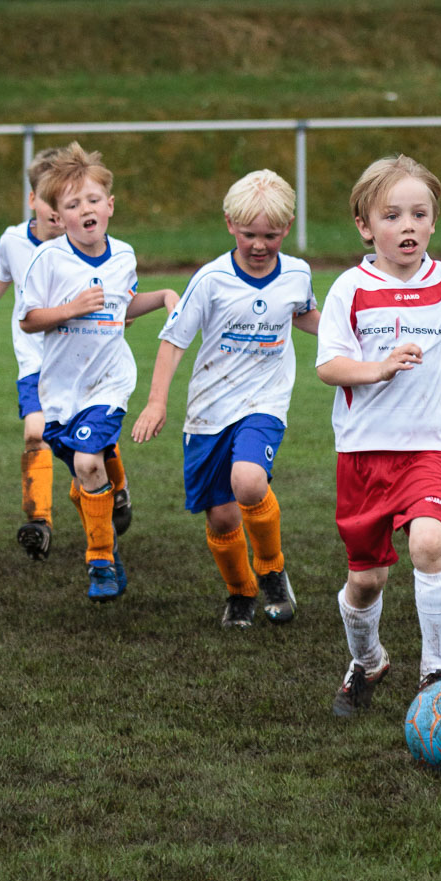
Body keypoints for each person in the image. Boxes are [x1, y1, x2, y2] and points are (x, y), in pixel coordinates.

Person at [316, 154, 441, 718]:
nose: (408, 226)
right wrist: (378, 368)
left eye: (420, 214)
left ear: (434, 222)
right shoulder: (351, 287)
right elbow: (329, 366)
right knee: (365, 582)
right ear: (366, 226)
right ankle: (367, 660)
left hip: (426, 447)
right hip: (364, 454)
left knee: (428, 545)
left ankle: (436, 675)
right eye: (392, 216)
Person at [132, 170, 319, 628]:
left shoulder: (297, 273)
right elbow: (173, 340)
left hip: (264, 402)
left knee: (250, 482)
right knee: (220, 516)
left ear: (288, 227)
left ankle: (272, 572)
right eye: (250, 234)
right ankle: (241, 593)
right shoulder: (210, 279)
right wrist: (157, 403)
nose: (259, 244)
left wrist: (357, 338)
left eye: (271, 235)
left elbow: (306, 315)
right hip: (209, 411)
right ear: (230, 224)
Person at [0, 149, 137, 563]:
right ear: (35, 201)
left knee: (89, 445)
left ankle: (117, 490)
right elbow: (2, 274)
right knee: (35, 433)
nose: (61, 213)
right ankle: (38, 521)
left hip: (82, 361)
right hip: (35, 359)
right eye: (53, 201)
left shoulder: (90, 245)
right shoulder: (15, 242)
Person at [20, 141, 178, 600]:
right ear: (59, 216)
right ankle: (116, 490)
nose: (84, 209)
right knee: (85, 478)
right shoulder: (48, 260)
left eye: (92, 200)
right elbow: (29, 320)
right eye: (73, 204)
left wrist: (166, 296)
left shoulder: (124, 255)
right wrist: (69, 309)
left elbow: (123, 309)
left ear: (109, 205)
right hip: (60, 392)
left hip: (109, 382)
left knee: (88, 463)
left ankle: (101, 561)